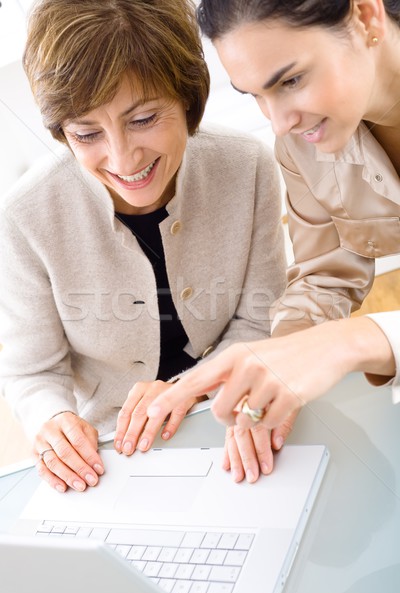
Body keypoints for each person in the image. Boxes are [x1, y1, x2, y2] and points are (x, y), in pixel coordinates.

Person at [0, 0, 287, 492]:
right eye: (87, 133)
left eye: (144, 118)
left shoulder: (247, 166)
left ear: (188, 97)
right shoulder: (25, 216)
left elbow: (259, 319)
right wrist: (53, 422)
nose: (122, 158)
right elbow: (33, 371)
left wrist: (189, 391)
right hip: (113, 454)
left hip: (235, 413)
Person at [148, 0, 400, 466]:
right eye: (255, 95)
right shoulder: (303, 141)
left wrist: (355, 341)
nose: (278, 121)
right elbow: (326, 278)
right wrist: (275, 370)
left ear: (366, 16)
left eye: (291, 80)